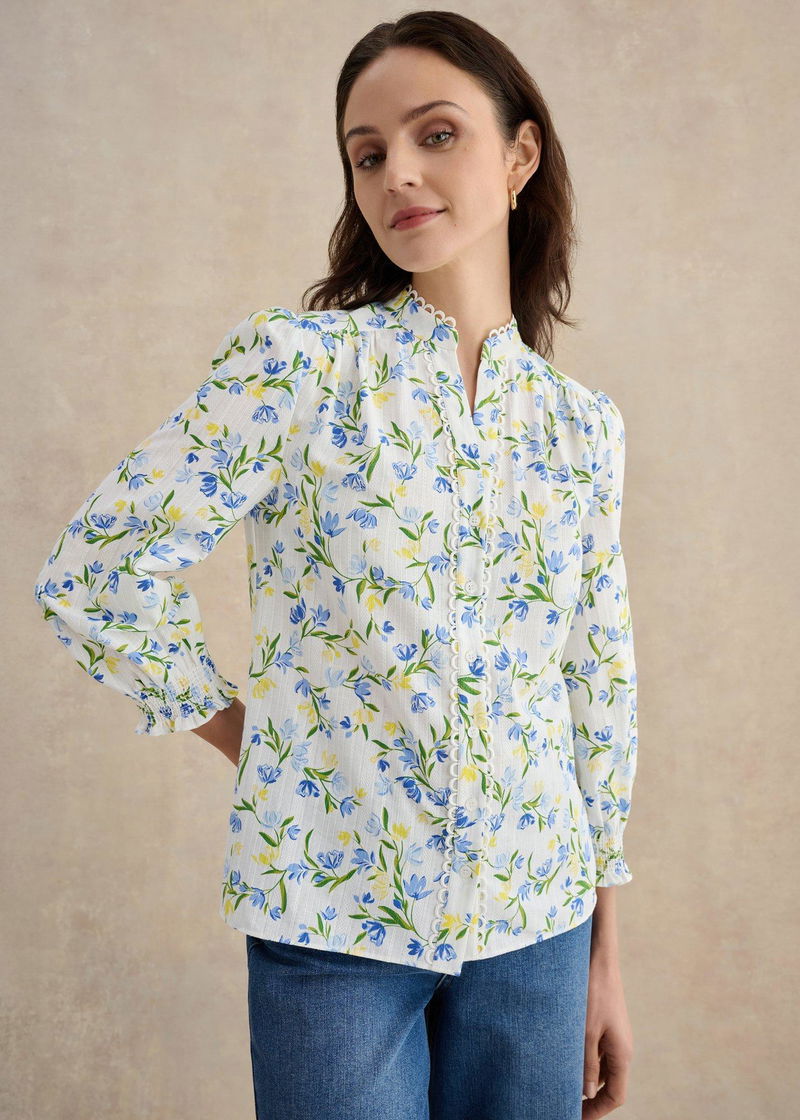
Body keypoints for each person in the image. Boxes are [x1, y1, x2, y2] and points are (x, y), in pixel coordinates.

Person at [33, 10, 639, 1120]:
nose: (396, 171)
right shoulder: (298, 370)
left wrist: (604, 956)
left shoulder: (579, 427)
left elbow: (595, 686)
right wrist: (255, 735)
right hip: (333, 919)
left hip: (539, 926)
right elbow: (98, 572)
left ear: (520, 155)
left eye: (435, 134)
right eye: (367, 154)